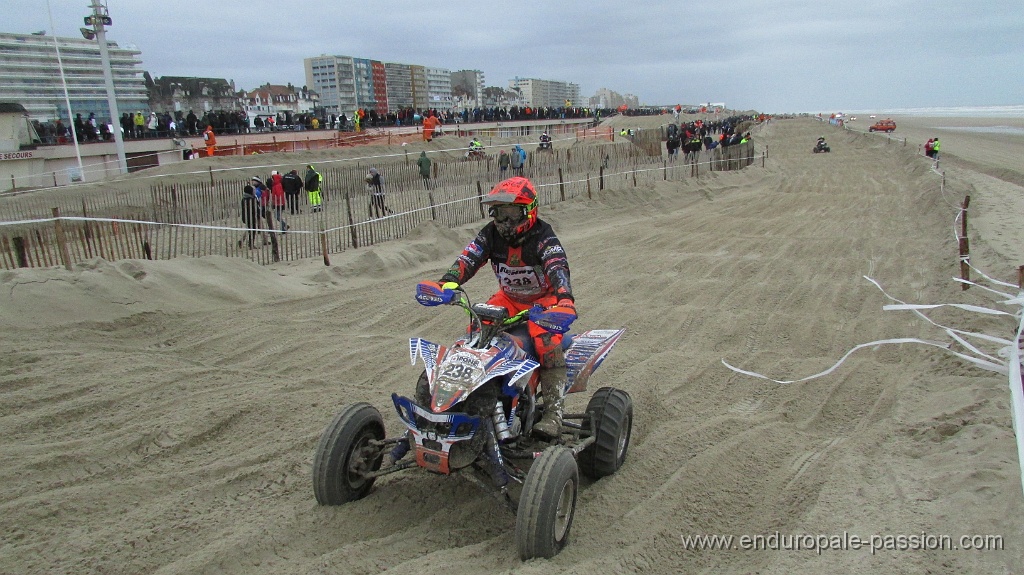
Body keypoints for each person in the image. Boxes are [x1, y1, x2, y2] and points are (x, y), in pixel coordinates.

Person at [430, 176, 576, 439]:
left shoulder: (543, 236)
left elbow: (557, 266)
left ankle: (554, 412)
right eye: (500, 213)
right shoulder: (490, 234)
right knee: (477, 330)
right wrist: (447, 281)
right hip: (508, 298)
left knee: (545, 340)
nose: (505, 222)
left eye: (512, 213)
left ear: (529, 211)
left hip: (544, 300)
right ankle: (468, 397)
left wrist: (565, 298)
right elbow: (469, 258)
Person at [239, 184, 260, 248]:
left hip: (245, 217)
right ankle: (250, 244)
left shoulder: (244, 199)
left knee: (249, 229)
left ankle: (242, 241)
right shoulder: (251, 199)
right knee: (252, 230)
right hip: (251, 217)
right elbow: (255, 209)